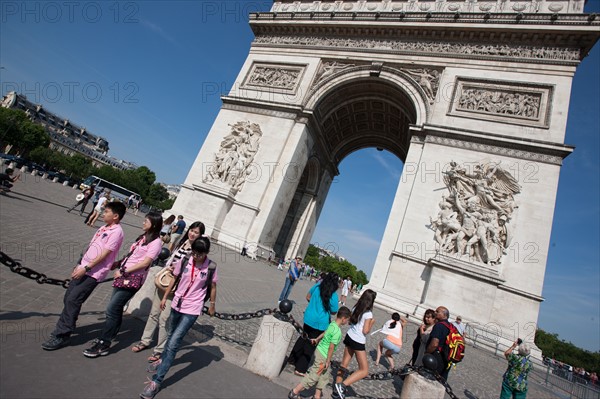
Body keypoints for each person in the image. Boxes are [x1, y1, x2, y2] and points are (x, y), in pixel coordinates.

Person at [140, 236, 217, 399]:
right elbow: (174, 279)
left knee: (174, 343)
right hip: (177, 303)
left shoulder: (211, 267)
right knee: (170, 334)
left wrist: (212, 305)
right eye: (195, 253)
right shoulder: (185, 260)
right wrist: (164, 297)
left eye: (200, 254)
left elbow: (213, 287)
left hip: (193, 309)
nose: (197, 257)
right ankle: (162, 360)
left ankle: (156, 381)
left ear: (207, 253)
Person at [41, 202, 126, 350]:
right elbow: (91, 246)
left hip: (93, 272)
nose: (103, 213)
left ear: (116, 216)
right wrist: (80, 263)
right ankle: (67, 325)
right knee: (68, 298)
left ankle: (62, 335)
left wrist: (86, 268)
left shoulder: (117, 232)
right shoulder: (103, 227)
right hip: (83, 267)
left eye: (106, 212)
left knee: (74, 300)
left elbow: (104, 254)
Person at [82, 212, 163, 358]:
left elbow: (145, 262)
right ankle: (110, 335)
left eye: (146, 221)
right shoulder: (143, 237)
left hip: (132, 279)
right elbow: (132, 255)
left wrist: (124, 270)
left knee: (112, 309)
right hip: (124, 275)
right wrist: (118, 264)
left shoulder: (156, 242)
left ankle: (104, 343)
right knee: (116, 309)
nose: (143, 222)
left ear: (154, 224)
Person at [131, 221, 205, 363]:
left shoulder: (197, 252)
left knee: (164, 319)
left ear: (200, 235)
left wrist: (178, 270)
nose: (192, 233)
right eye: (191, 230)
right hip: (165, 281)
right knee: (153, 314)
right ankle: (145, 341)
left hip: (177, 287)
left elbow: (194, 272)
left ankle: (159, 350)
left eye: (196, 232)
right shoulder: (182, 243)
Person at [288, 307, 352, 399]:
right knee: (313, 376)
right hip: (324, 356)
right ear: (344, 319)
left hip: (319, 351)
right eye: (347, 320)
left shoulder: (332, 324)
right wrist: (328, 360)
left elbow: (325, 332)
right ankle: (294, 392)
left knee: (324, 376)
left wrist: (317, 339)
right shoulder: (337, 332)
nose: (347, 322)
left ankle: (317, 396)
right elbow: (331, 347)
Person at [288, 272, 340, 376]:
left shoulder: (317, 286)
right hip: (320, 322)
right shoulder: (333, 295)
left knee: (303, 338)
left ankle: (292, 359)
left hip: (309, 317)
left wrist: (314, 304)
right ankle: (300, 368)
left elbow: (307, 297)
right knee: (311, 345)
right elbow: (334, 311)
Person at [333, 289, 377, 399]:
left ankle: (336, 390)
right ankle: (342, 386)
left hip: (350, 336)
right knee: (364, 370)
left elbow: (351, 322)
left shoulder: (356, 307)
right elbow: (365, 331)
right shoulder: (368, 313)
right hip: (358, 340)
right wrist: (371, 323)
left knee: (344, 364)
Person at [425, 306, 452, 381]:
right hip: (447, 358)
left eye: (437, 312)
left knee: (431, 379)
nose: (435, 313)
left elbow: (434, 344)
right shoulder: (450, 326)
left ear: (444, 315)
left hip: (436, 357)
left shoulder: (439, 326)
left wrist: (427, 352)